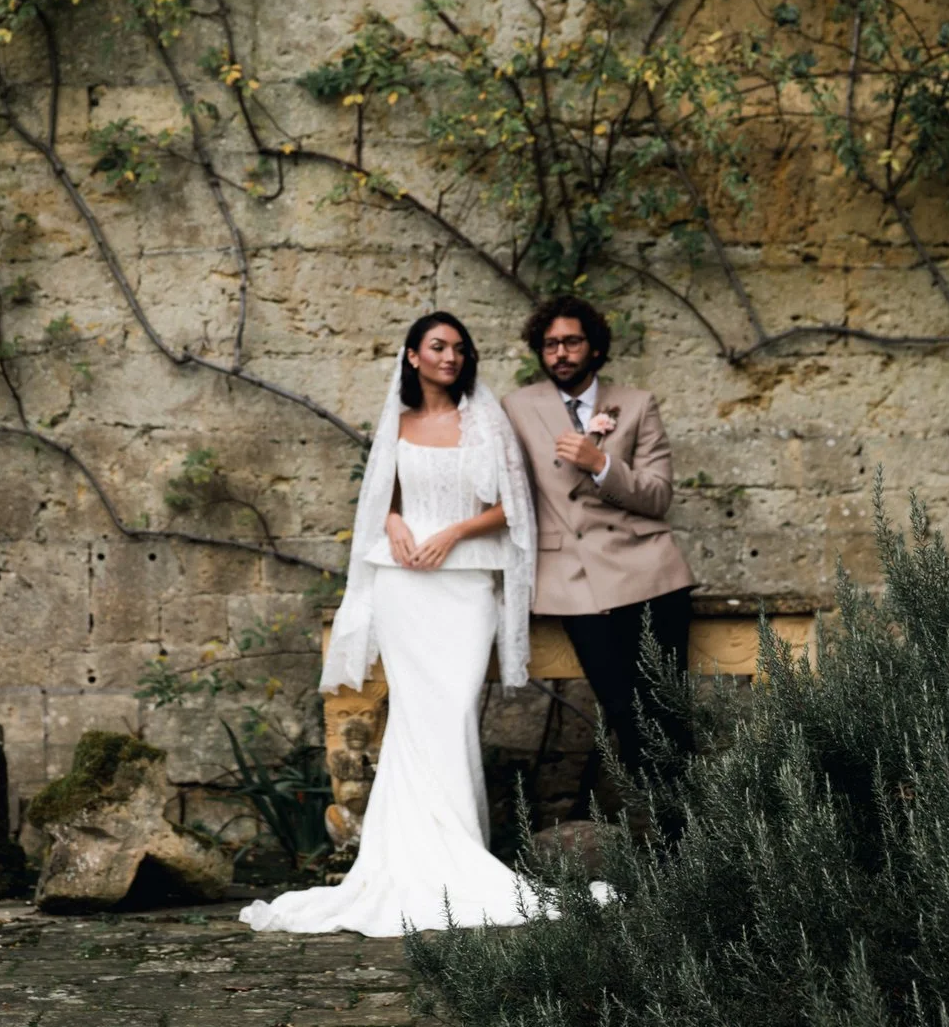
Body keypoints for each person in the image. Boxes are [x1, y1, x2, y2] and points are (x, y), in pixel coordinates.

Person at [239, 311, 543, 937]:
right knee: (410, 716)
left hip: (465, 583)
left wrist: (454, 531)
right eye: (437, 347)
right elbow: (384, 497)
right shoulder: (400, 422)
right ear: (412, 356)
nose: (450, 357)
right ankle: (404, 860)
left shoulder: (484, 420)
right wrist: (399, 525)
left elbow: (514, 505)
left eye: (460, 347)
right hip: (404, 584)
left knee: (454, 708)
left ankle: (460, 852)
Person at [501, 294, 695, 812]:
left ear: (594, 347)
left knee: (669, 710)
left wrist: (601, 463)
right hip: (574, 577)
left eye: (571, 341)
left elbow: (657, 496)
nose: (561, 353)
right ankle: (671, 840)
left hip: (651, 571)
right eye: (550, 345)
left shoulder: (636, 403)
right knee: (625, 711)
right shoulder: (517, 408)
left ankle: (693, 845)